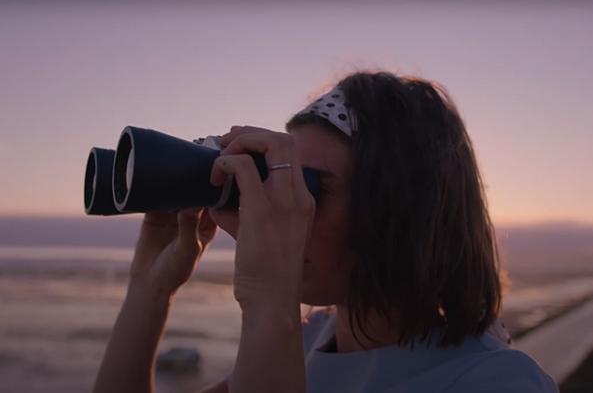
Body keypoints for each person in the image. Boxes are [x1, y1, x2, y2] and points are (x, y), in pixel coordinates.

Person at [93, 71, 558, 393]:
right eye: (282, 178)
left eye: (309, 188)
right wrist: (148, 290)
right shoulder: (312, 340)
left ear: (400, 211)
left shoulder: (496, 382)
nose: (286, 208)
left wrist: (268, 297)